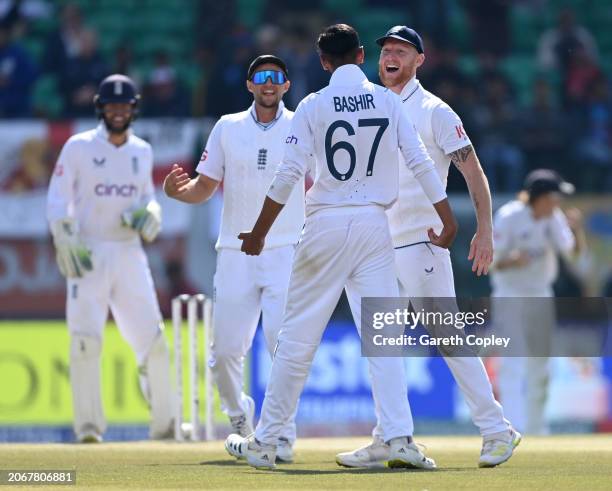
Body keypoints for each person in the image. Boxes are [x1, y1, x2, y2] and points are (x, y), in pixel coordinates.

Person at [225, 23, 457, 470]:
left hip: (327, 223)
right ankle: (400, 439)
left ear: (324, 62)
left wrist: (258, 232)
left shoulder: (313, 105)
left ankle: (267, 440)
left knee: (296, 338)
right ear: (361, 57)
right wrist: (446, 217)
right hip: (375, 225)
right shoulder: (388, 100)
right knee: (384, 337)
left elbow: (288, 174)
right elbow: (421, 161)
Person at [337, 25, 520, 469]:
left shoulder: (435, 111)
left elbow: (473, 174)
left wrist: (485, 230)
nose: (389, 58)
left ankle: (497, 430)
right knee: (382, 346)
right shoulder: (375, 103)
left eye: (400, 51)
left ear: (420, 59)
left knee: (448, 337)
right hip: (378, 244)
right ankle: (389, 437)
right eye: (385, 52)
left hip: (423, 240)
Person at [163, 55, 303, 463]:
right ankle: (241, 419)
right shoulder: (227, 127)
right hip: (235, 251)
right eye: (261, 77)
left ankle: (281, 435)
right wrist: (178, 193)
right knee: (224, 352)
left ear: (286, 85)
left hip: (284, 251)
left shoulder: (301, 125)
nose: (269, 84)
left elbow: (322, 180)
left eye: (276, 78)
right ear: (249, 85)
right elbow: (205, 186)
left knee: (284, 345)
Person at [46, 74, 174, 443]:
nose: (118, 112)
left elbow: (146, 196)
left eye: (125, 106)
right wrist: (64, 234)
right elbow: (58, 198)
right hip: (88, 251)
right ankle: (88, 428)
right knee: (85, 340)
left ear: (133, 109)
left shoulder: (141, 151)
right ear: (101, 108)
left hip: (129, 252)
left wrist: (151, 211)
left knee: (152, 339)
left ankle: (165, 425)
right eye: (111, 106)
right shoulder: (78, 147)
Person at [490, 169, 585, 435]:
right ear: (539, 197)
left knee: (542, 365)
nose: (558, 204)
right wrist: (513, 261)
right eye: (554, 197)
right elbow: (490, 263)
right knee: (512, 363)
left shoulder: (553, 218)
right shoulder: (509, 217)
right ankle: (512, 429)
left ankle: (536, 429)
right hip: (509, 296)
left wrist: (577, 231)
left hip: (541, 295)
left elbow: (573, 256)